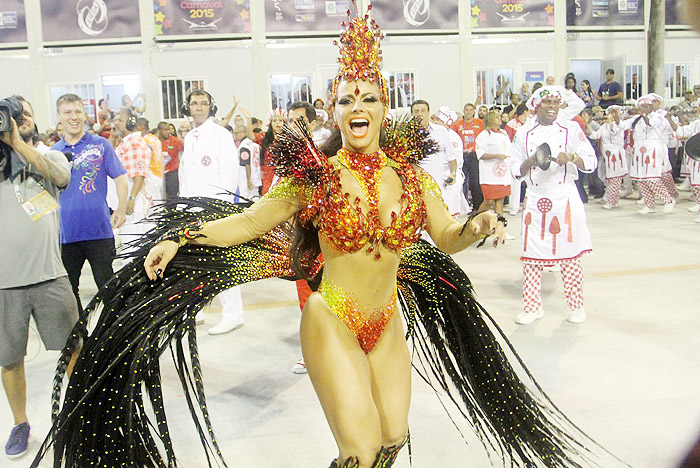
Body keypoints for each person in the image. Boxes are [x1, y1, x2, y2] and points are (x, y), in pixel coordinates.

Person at [33, 13, 624, 468]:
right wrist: (184, 239)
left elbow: (444, 237)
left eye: (370, 97)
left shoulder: (414, 176)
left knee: (393, 437)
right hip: (332, 316)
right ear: (335, 110)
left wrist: (478, 224)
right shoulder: (313, 176)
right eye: (348, 99)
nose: (358, 107)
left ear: (384, 106)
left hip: (386, 318)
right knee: (361, 448)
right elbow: (248, 223)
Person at [0, 95, 79, 459]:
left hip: (50, 275)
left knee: (73, 347)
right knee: (9, 358)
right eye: (13, 116)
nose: (20, 119)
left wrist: (17, 143)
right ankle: (20, 423)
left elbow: (61, 178)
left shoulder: (50, 156)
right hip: (5, 281)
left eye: (25, 114)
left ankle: (78, 412)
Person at [510, 86, 597, 325]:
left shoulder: (571, 129)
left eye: (555, 103)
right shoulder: (524, 133)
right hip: (536, 197)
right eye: (547, 102)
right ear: (537, 105)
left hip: (564, 197)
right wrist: (529, 162)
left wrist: (573, 158)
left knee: (569, 256)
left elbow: (590, 160)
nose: (551, 107)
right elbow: (513, 167)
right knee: (531, 256)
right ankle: (532, 307)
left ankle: (576, 306)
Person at [53, 94, 128, 311]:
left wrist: (122, 208)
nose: (73, 117)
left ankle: (116, 337)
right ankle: (79, 338)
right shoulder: (53, 153)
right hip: (66, 235)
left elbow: (120, 178)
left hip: (99, 232)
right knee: (68, 291)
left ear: (84, 115)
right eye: (67, 112)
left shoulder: (101, 145)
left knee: (109, 289)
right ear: (59, 117)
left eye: (78, 111)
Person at [178, 89, 244, 335]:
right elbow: (185, 176)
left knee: (223, 261)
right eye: (194, 103)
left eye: (203, 103)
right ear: (188, 107)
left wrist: (223, 207)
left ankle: (233, 314)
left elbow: (229, 173)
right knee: (195, 260)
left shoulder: (220, 135)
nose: (199, 107)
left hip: (215, 207)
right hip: (192, 208)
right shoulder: (189, 137)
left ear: (210, 107)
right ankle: (197, 309)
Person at [624, 95, 676, 214]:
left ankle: (668, 200)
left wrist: (644, 115)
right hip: (639, 150)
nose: (644, 109)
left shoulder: (658, 117)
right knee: (641, 178)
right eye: (642, 107)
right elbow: (623, 125)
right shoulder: (637, 119)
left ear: (651, 106)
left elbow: (651, 124)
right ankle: (649, 205)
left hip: (653, 148)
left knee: (652, 178)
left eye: (646, 107)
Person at [411, 99, 460, 216]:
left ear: (428, 113)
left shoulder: (441, 131)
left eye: (423, 111)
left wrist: (453, 173)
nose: (419, 114)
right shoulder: (407, 134)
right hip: (415, 187)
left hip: (437, 185)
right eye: (416, 111)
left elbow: (451, 157)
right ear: (412, 114)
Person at [475, 110, 513, 224]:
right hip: (489, 174)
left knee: (499, 200)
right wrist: (496, 155)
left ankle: (500, 226)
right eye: (496, 117)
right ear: (490, 119)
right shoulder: (484, 135)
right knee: (489, 200)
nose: (500, 118)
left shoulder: (503, 133)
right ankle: (475, 221)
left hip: (502, 173)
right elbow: (480, 154)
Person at [588, 106, 628, 208]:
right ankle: (610, 197)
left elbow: (614, 131)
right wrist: (587, 124)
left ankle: (612, 201)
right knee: (607, 177)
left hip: (616, 153)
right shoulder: (604, 126)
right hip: (606, 154)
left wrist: (611, 121)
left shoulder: (620, 125)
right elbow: (595, 135)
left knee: (615, 177)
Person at [451, 103, 484, 212]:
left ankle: (477, 206)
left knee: (475, 181)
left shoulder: (480, 123)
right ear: (464, 111)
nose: (469, 112)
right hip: (462, 155)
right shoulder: (457, 124)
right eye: (467, 110)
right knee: (462, 182)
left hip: (474, 155)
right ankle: (462, 206)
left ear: (474, 111)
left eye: (471, 110)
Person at [504, 102, 530, 215]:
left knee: (531, 181)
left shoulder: (531, 124)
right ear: (525, 111)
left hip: (529, 156)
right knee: (515, 181)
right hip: (515, 156)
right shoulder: (511, 124)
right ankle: (513, 207)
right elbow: (506, 141)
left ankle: (529, 205)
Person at [157, 120, 184, 198]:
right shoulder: (155, 141)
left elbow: (184, 153)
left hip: (172, 172)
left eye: (168, 129)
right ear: (159, 131)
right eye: (165, 130)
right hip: (159, 173)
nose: (168, 132)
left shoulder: (176, 141)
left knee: (172, 196)